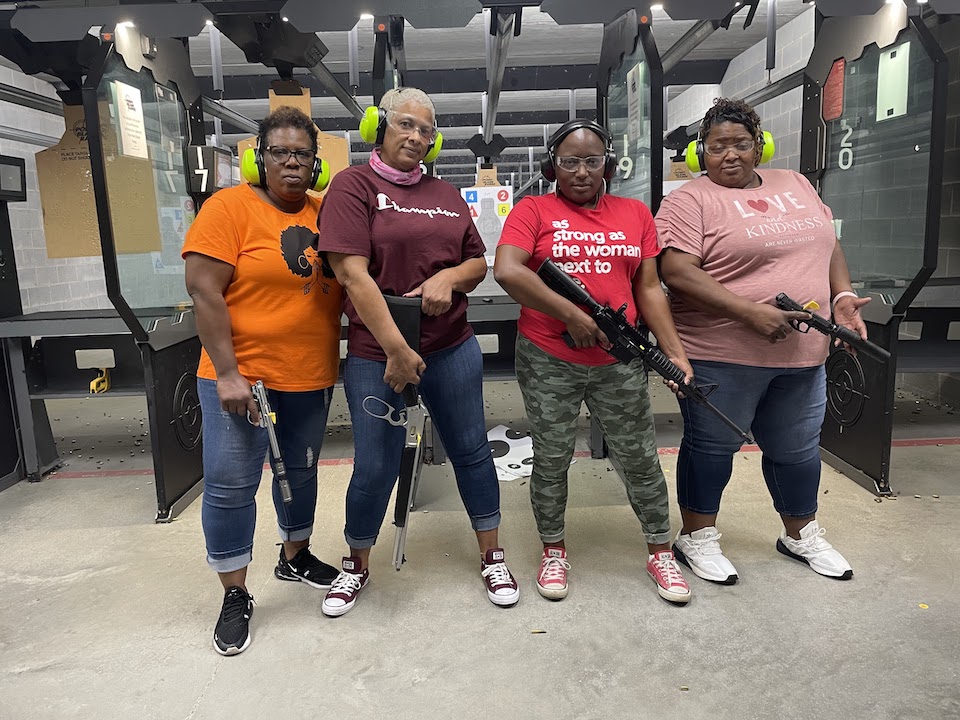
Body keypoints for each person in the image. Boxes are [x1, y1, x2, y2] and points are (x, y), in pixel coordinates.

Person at [316, 87, 519, 616]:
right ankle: (356, 564)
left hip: (452, 348)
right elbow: (351, 276)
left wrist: (449, 277)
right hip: (375, 355)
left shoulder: (447, 194)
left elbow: (478, 261)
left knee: (471, 451)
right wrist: (397, 350)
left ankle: (492, 555)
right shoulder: (352, 186)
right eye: (405, 125)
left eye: (425, 130)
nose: (415, 137)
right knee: (376, 466)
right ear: (379, 128)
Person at [656, 98, 867, 584]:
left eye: (741, 144)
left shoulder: (794, 183)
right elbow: (676, 272)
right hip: (721, 353)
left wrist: (843, 296)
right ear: (699, 154)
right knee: (712, 448)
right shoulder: (690, 200)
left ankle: (800, 533)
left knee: (797, 449)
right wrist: (750, 313)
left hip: (803, 352)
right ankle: (697, 537)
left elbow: (828, 243)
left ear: (760, 147)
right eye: (716, 147)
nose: (729, 155)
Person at [494, 118, 693, 604]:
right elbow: (507, 270)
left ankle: (660, 549)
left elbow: (648, 288)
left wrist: (674, 353)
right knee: (553, 457)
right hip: (548, 356)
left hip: (619, 357)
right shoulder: (532, 210)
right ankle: (554, 549)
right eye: (569, 161)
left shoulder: (635, 214)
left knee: (640, 455)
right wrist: (570, 314)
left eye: (592, 160)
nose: (581, 171)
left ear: (608, 163)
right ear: (551, 166)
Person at [182, 106, 343, 655]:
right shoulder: (228, 208)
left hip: (309, 375)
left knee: (298, 473)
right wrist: (227, 372)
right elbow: (204, 290)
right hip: (241, 379)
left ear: (316, 163)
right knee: (231, 485)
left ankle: (294, 557)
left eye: (302, 153)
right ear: (259, 158)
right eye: (280, 152)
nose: (292, 162)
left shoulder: (329, 212)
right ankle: (235, 592)